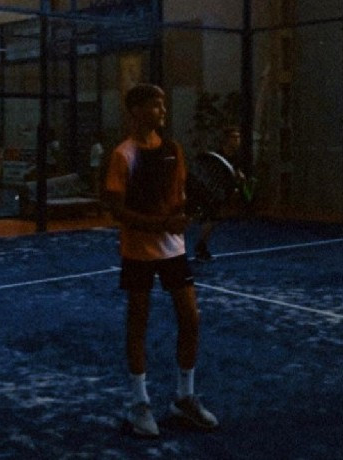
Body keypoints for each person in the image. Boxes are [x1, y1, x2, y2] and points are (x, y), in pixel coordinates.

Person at [104, 83, 218, 438]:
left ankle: (184, 398)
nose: (163, 111)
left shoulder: (173, 150)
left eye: (163, 104)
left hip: (173, 250)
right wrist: (159, 225)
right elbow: (117, 210)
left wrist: (187, 213)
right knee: (138, 322)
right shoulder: (123, 154)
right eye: (156, 105)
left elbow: (178, 198)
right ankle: (140, 403)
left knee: (191, 318)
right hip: (138, 251)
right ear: (136, 110)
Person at [194, 126, 245, 261]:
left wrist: (239, 178)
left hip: (223, 194)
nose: (237, 140)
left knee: (213, 220)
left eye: (238, 137)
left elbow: (235, 174)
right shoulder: (216, 157)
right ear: (226, 139)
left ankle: (201, 246)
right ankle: (200, 248)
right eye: (234, 137)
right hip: (210, 193)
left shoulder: (236, 157)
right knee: (211, 219)